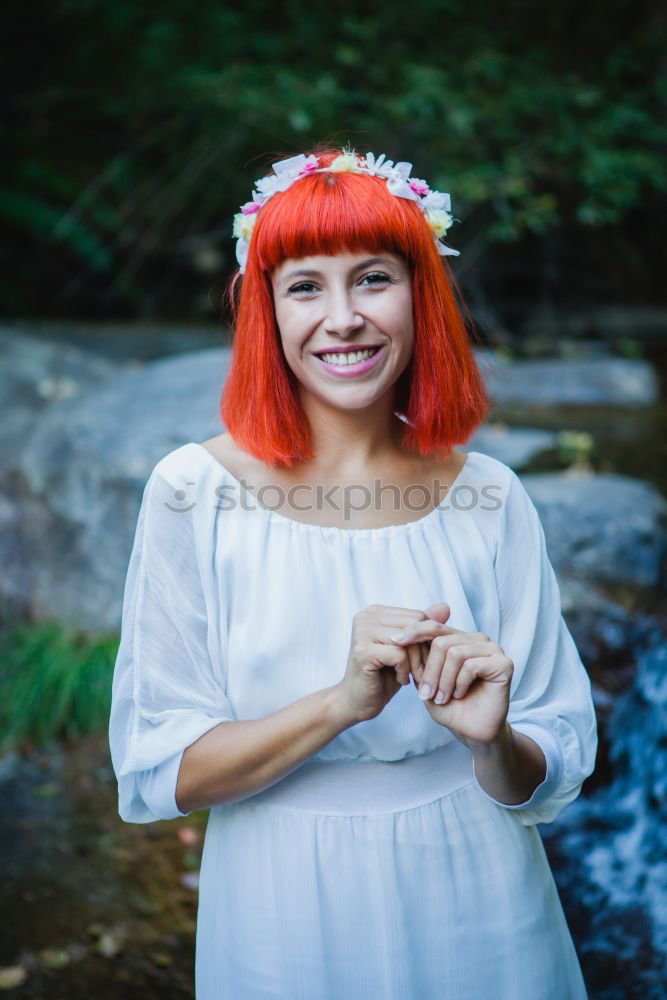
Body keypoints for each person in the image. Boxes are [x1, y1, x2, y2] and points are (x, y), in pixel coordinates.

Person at [108, 145, 598, 998]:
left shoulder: (489, 495)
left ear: (421, 294)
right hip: (283, 903)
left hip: (481, 891)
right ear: (265, 310)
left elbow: (550, 766)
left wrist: (494, 740)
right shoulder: (193, 492)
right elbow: (162, 773)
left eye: (372, 278)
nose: (342, 318)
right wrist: (341, 705)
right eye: (305, 286)